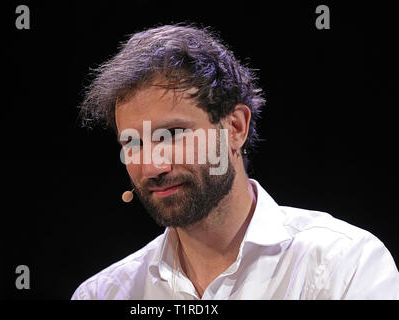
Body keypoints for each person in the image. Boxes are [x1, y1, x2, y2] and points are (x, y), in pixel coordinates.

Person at [71, 24, 399, 300]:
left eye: (172, 134)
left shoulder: (347, 265)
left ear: (235, 128)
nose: (153, 167)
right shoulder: (103, 294)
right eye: (133, 143)